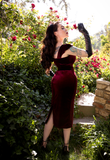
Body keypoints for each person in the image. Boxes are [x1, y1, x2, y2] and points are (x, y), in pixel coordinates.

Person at [40, 22, 92, 153]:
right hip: (68, 80)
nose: (65, 29)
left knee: (54, 109)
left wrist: (55, 75)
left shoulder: (51, 49)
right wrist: (85, 33)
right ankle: (66, 146)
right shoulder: (67, 48)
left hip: (57, 80)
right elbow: (88, 53)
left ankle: (44, 143)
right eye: (62, 28)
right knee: (67, 110)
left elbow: (43, 63)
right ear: (55, 33)